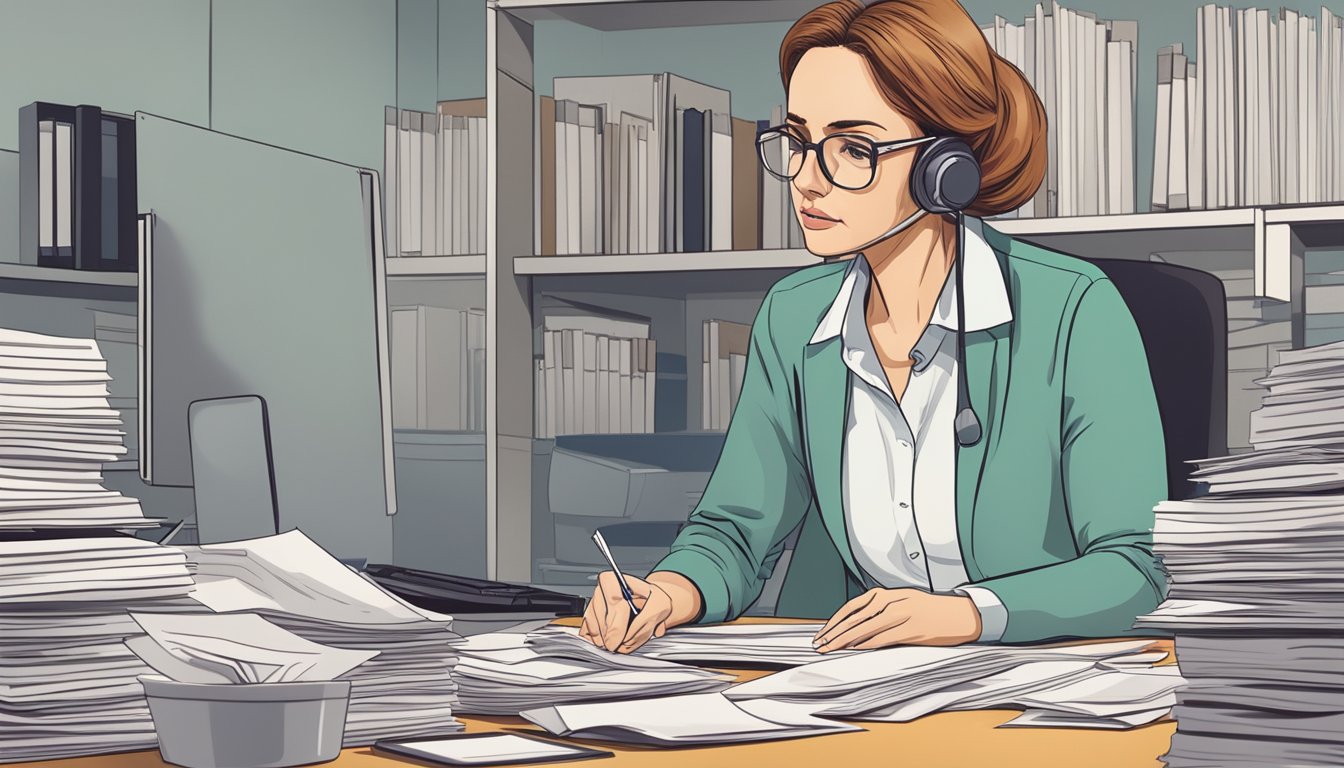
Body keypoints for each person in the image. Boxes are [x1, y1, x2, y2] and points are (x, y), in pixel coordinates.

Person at [579, 0, 1167, 654]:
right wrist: (667, 592)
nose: (806, 179)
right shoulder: (794, 317)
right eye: (798, 141)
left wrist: (965, 616)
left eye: (852, 148)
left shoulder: (1075, 310)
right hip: (849, 689)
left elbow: (1135, 567)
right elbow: (737, 531)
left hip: (1033, 691)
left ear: (945, 167)